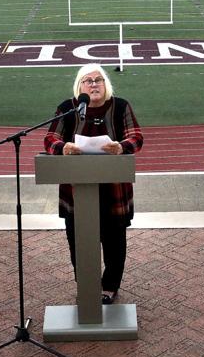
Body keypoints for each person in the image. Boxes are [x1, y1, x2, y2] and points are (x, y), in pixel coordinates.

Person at [44, 64, 144, 305]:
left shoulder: (120, 106)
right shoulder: (67, 108)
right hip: (76, 192)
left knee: (114, 244)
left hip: (114, 190)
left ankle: (109, 287)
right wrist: (63, 147)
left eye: (98, 80)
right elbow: (50, 138)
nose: (94, 84)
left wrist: (121, 147)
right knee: (78, 244)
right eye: (87, 81)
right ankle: (87, 287)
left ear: (106, 84)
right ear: (79, 86)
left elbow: (136, 137)